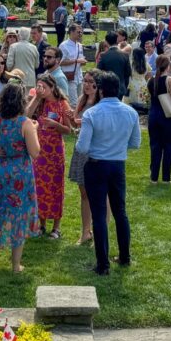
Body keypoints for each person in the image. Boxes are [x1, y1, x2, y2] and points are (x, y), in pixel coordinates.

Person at [75, 72, 141, 275]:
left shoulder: (92, 114)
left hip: (96, 164)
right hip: (117, 164)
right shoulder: (130, 112)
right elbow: (135, 143)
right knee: (120, 212)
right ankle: (124, 256)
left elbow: (82, 147)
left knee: (99, 215)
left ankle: (103, 264)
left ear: (101, 89)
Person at [0, 83, 40, 271]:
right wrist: (35, 130)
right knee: (18, 215)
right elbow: (35, 152)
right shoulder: (25, 123)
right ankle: (15, 265)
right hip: (19, 172)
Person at [27, 75, 74, 239]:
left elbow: (69, 130)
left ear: (52, 87)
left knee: (55, 186)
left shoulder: (62, 104)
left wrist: (55, 125)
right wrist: (36, 98)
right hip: (40, 151)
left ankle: (56, 227)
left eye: (43, 87)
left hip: (54, 152)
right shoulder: (39, 103)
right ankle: (41, 224)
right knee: (39, 186)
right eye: (38, 86)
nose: (41, 90)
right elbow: (26, 116)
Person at [70, 69, 103, 245]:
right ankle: (85, 231)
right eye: (85, 81)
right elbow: (75, 126)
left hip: (94, 151)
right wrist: (71, 119)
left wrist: (82, 122)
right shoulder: (82, 101)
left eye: (91, 82)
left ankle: (99, 230)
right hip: (80, 149)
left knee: (99, 193)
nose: (87, 85)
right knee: (83, 193)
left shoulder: (100, 104)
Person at [147, 55, 171, 183]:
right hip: (168, 117)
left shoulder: (151, 80)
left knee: (155, 146)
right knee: (169, 146)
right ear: (168, 66)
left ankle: (153, 177)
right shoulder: (170, 80)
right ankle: (166, 178)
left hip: (153, 115)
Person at [59, 23, 88, 104]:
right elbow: (60, 62)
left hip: (79, 77)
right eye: (78, 32)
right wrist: (76, 61)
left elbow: (80, 59)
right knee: (73, 103)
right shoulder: (64, 46)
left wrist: (83, 62)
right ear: (71, 32)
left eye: (81, 32)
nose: (80, 34)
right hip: (70, 77)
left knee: (81, 101)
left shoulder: (79, 45)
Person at [98, 32, 132, 98]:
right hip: (121, 87)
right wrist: (124, 86)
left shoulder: (104, 55)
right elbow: (128, 73)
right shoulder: (125, 55)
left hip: (106, 89)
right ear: (117, 40)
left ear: (106, 42)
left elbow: (99, 72)